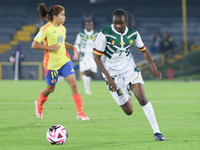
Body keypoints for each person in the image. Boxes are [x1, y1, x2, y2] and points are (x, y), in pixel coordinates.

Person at [93, 9, 165, 141]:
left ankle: (157, 132)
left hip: (129, 69)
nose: (118, 26)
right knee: (129, 111)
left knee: (142, 97)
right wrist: (108, 78)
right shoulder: (105, 33)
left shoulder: (133, 34)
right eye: (115, 23)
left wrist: (152, 64)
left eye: (120, 23)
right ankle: (126, 91)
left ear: (126, 22)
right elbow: (97, 57)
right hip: (112, 75)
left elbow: (143, 50)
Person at [31, 3, 89, 121]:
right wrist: (51, 47)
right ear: (55, 16)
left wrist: (73, 48)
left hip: (64, 60)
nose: (64, 17)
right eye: (62, 15)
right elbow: (34, 45)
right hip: (51, 64)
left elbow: (61, 43)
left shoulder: (63, 28)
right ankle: (39, 103)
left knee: (74, 84)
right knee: (50, 89)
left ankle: (80, 112)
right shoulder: (45, 29)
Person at [74, 21, 98, 95]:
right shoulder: (81, 35)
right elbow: (76, 44)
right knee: (87, 71)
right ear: (85, 26)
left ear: (92, 26)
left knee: (93, 74)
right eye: (87, 25)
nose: (89, 26)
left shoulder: (96, 34)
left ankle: (85, 79)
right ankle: (87, 90)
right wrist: (77, 51)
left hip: (93, 55)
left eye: (90, 25)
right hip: (84, 55)